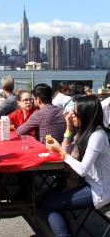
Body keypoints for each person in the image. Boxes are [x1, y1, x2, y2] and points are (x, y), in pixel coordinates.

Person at [40, 95, 110, 237]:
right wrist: (68, 127)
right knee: (46, 198)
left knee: (50, 205)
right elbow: (67, 152)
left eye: (74, 112)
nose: (71, 115)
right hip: (89, 184)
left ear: (85, 114)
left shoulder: (97, 135)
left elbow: (82, 169)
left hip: (100, 190)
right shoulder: (86, 132)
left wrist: (60, 151)